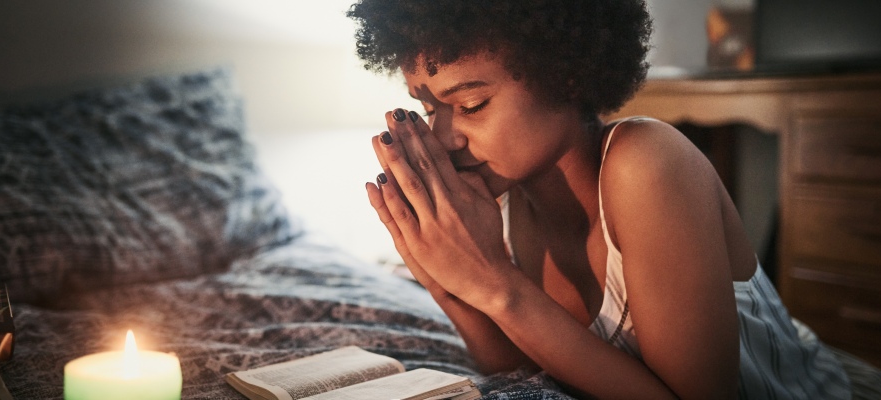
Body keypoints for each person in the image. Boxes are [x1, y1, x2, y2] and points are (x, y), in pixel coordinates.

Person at [348, 1, 851, 398]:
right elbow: (521, 376)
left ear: (563, 73)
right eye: (428, 108)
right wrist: (451, 286)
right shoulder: (495, 203)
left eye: (471, 104)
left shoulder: (646, 162)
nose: (444, 137)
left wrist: (498, 285)